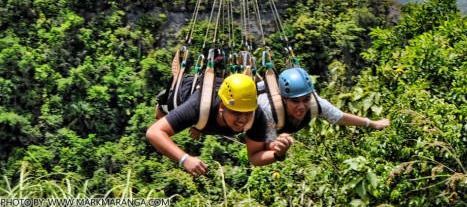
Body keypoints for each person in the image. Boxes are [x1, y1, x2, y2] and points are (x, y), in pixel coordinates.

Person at [146, 73, 293, 176]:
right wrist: (185, 159)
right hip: (186, 94)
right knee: (163, 111)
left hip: (205, 117)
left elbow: (255, 156)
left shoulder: (258, 115)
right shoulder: (198, 106)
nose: (242, 119)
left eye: (247, 112)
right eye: (236, 113)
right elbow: (154, 132)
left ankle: (197, 127)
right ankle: (189, 122)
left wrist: (278, 153)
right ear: (222, 107)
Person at [245, 67, 390, 162]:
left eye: (305, 100)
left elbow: (340, 117)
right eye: (295, 101)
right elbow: (256, 155)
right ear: (284, 99)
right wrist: (279, 152)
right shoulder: (267, 111)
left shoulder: (315, 104)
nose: (301, 107)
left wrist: (373, 123)